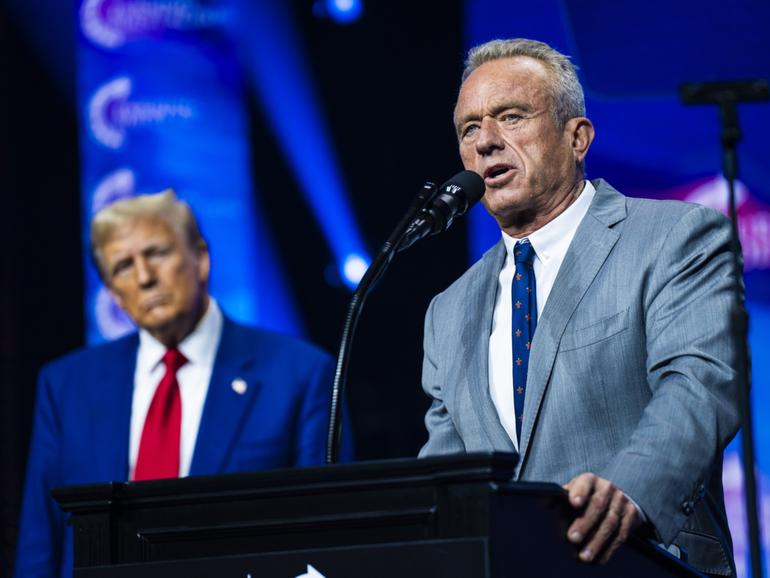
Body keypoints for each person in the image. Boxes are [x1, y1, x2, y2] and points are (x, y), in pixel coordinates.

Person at [419, 38, 740, 576]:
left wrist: (630, 489)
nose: (487, 142)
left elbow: (701, 384)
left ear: (577, 137)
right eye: (469, 128)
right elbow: (449, 478)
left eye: (511, 116)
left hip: (645, 562)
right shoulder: (447, 311)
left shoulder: (674, 237)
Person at [15, 190, 349, 578]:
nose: (144, 277)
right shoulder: (66, 386)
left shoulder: (300, 374)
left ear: (201, 258)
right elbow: (39, 547)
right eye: (123, 266)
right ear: (113, 295)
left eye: (157, 253)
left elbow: (327, 541)